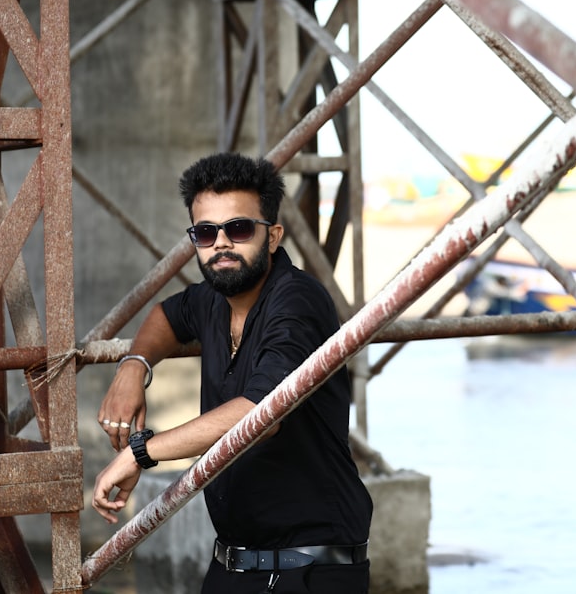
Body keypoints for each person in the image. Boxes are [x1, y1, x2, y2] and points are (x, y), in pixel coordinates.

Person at [92, 153, 373, 593]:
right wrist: (134, 366)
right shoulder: (212, 299)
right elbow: (166, 316)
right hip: (232, 565)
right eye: (206, 233)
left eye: (238, 228)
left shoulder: (297, 302)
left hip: (311, 570)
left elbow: (261, 416)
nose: (221, 243)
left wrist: (141, 452)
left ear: (273, 235)